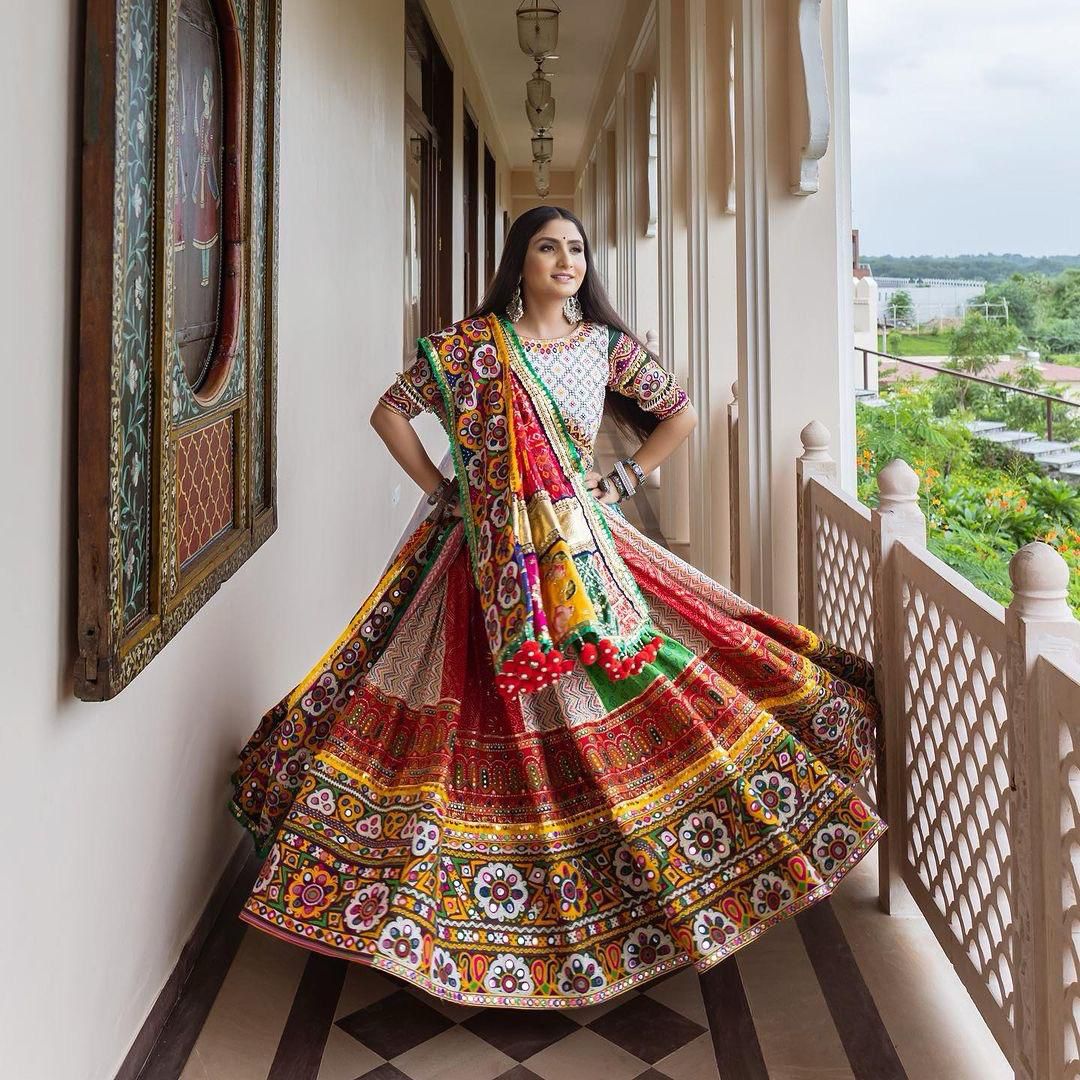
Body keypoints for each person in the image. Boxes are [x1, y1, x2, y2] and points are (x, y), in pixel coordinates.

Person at [229, 205, 885, 1009]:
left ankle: (624, 880)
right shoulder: (471, 348)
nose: (566, 261)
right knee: (467, 701)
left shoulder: (602, 347)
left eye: (576, 249)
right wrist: (443, 492)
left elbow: (676, 412)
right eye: (549, 248)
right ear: (521, 260)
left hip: (580, 548)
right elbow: (388, 412)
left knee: (638, 669)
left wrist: (624, 479)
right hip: (479, 555)